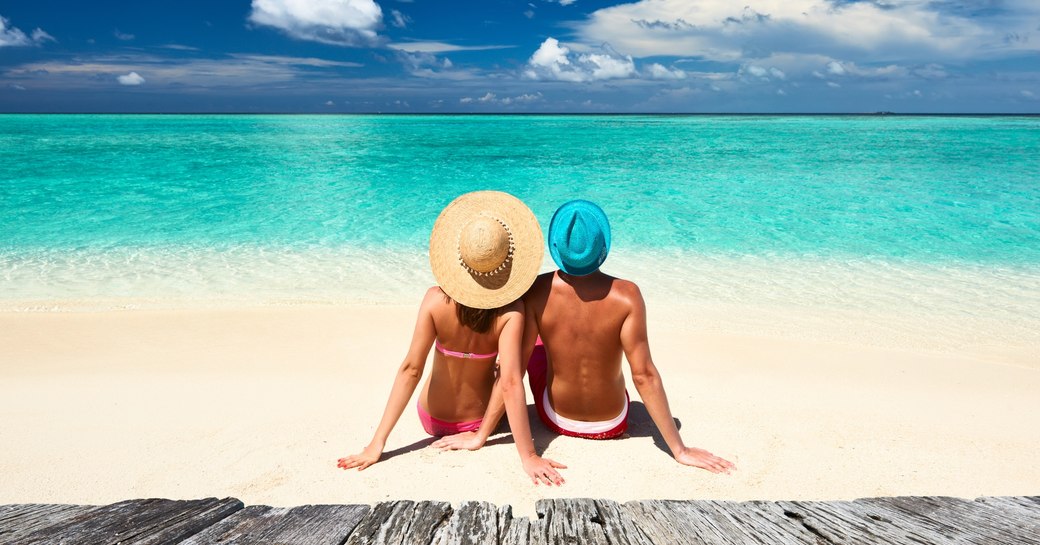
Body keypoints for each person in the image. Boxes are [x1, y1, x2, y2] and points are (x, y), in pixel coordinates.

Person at [438, 200, 735, 474]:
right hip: (613, 423)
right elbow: (643, 375)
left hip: (554, 418)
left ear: (556, 246)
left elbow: (512, 376)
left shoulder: (537, 291)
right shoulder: (628, 295)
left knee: (529, 347)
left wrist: (480, 436)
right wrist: (679, 450)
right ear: (602, 247)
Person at [337, 191, 566, 485]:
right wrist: (528, 455)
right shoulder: (510, 313)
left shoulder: (434, 301)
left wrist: (376, 444)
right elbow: (510, 382)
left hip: (430, 419)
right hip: (479, 422)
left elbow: (411, 369)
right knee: (532, 348)